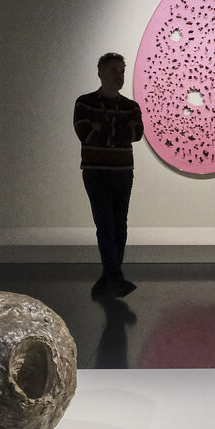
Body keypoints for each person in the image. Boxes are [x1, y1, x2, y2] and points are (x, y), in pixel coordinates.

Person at [74, 52, 144, 297]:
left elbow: (136, 133)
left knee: (119, 224)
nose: (119, 76)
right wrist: (118, 131)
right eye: (114, 70)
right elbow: (85, 132)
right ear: (101, 73)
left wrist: (102, 129)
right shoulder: (84, 103)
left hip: (122, 172)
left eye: (121, 71)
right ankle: (115, 278)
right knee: (105, 224)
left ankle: (109, 278)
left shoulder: (131, 106)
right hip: (96, 172)